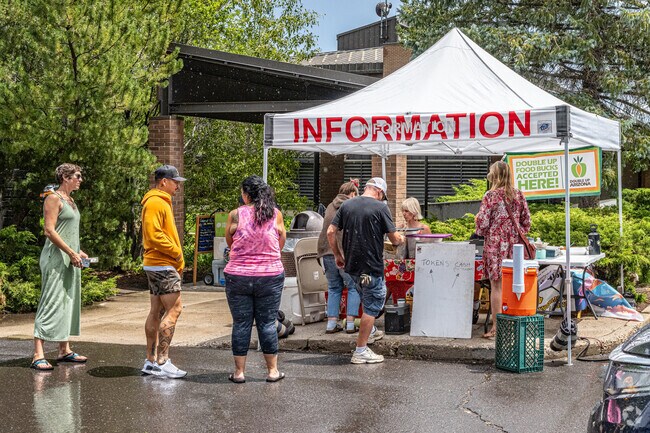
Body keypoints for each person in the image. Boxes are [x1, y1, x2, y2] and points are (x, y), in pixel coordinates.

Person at [328, 177, 404, 364]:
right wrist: (400, 239)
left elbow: (331, 231)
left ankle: (369, 332)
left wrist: (338, 255)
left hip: (351, 265)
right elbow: (393, 239)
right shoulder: (380, 208)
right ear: (379, 192)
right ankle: (360, 350)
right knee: (373, 304)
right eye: (382, 195)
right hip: (370, 265)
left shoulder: (347, 205)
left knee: (365, 297)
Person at [224, 175, 287, 383]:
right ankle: (272, 371)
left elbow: (230, 241)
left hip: (238, 275)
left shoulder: (235, 215)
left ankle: (239, 373)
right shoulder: (275, 214)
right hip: (270, 275)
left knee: (241, 323)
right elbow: (281, 241)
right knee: (267, 323)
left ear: (246, 194)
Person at [32, 164, 89, 371]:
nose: (80, 179)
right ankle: (38, 354)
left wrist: (78, 251)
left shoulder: (71, 201)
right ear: (65, 177)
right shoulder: (53, 198)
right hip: (55, 259)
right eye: (77, 176)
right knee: (51, 301)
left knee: (67, 302)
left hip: (70, 257)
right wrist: (71, 252)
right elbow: (49, 231)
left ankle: (64, 350)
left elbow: (68, 231)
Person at [141, 165, 187, 378]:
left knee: (157, 311)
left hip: (156, 263)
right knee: (174, 310)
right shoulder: (156, 202)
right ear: (163, 182)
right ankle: (162, 361)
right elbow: (153, 235)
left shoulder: (158, 202)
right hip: (163, 264)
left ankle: (151, 362)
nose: (178, 185)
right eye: (175, 181)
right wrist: (177, 253)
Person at [475, 161, 531, 338]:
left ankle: (496, 328)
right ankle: (513, 325)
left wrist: (479, 222)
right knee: (514, 284)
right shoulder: (518, 195)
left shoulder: (490, 196)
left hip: (495, 245)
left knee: (496, 286)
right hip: (515, 246)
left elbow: (482, 224)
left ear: (495, 175)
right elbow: (526, 222)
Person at [317, 179, 361, 334]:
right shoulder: (351, 206)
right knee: (353, 287)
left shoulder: (330, 206)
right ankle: (350, 324)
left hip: (325, 252)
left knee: (334, 287)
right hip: (344, 253)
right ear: (352, 193)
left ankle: (331, 324)